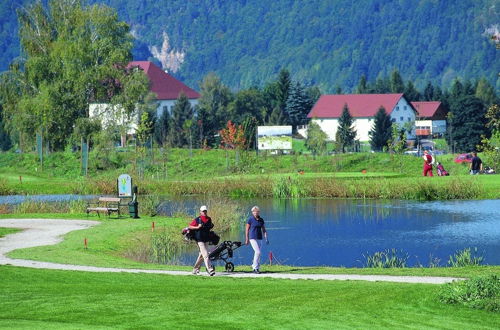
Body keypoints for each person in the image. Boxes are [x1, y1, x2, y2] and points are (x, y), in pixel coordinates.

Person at [188, 205, 215, 276]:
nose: (204, 212)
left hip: (206, 239)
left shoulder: (209, 219)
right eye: (203, 211)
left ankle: (195, 269)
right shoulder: (198, 219)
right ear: (200, 212)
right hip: (199, 240)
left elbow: (209, 228)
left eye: (205, 211)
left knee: (201, 255)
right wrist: (197, 227)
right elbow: (190, 226)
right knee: (205, 254)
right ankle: (210, 269)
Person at [245, 206, 268, 274]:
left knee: (258, 253)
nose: (255, 212)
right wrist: (247, 239)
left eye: (256, 211)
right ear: (252, 212)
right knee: (258, 252)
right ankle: (255, 267)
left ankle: (256, 267)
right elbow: (247, 229)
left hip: (259, 238)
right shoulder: (250, 219)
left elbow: (263, 229)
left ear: (258, 212)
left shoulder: (261, 220)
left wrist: (266, 236)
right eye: (254, 211)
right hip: (252, 238)